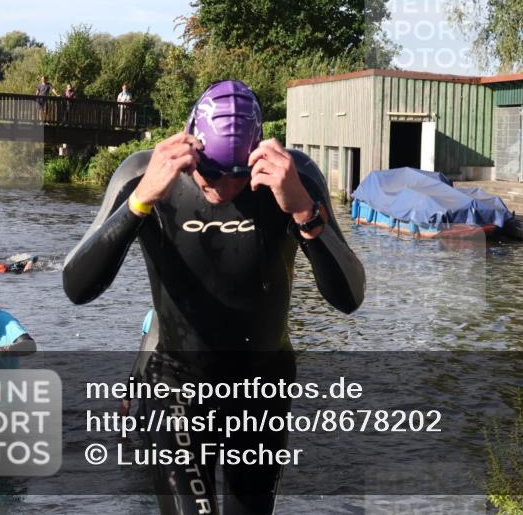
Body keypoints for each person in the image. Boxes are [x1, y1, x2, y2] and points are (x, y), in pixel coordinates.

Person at [63, 80, 365, 514]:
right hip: (175, 384)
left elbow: (349, 297)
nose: (222, 189)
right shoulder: (142, 174)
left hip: (262, 385)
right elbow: (77, 286)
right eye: (209, 173)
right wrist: (140, 203)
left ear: (258, 155)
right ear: (189, 148)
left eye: (237, 177)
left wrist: (303, 210)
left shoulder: (294, 177)